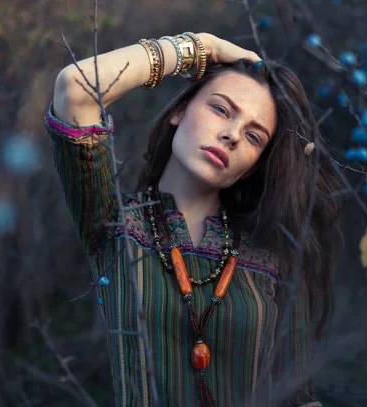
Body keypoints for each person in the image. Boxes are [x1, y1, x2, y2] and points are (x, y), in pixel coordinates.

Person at [45, 31, 343, 407]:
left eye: (254, 136)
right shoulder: (113, 221)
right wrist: (201, 47)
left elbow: (297, 397)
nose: (233, 135)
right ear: (178, 110)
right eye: (221, 109)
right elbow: (75, 88)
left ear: (254, 166)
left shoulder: (274, 252)